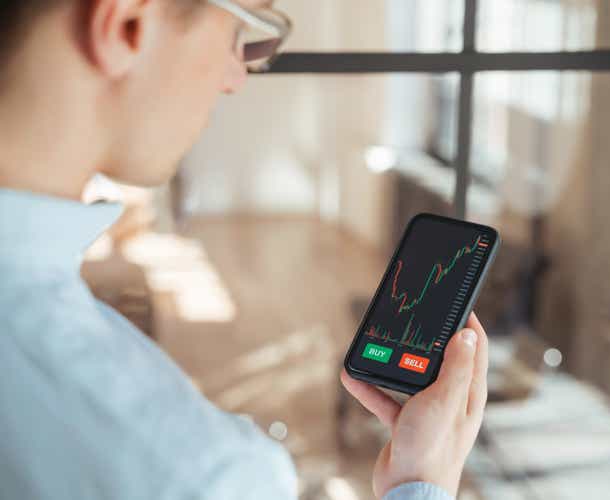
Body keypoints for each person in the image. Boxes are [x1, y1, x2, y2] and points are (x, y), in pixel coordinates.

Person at [0, 0, 490, 499]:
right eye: (243, 30)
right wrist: (422, 481)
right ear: (128, 24)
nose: (236, 76)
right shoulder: (197, 471)